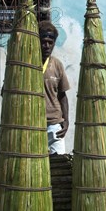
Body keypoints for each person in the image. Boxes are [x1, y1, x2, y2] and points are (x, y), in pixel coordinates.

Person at [39, 21, 70, 155]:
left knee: (58, 165)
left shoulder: (56, 65)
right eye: (43, 41)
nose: (47, 46)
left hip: (54, 124)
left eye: (50, 43)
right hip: (32, 123)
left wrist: (66, 121)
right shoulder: (26, 64)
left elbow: (62, 95)